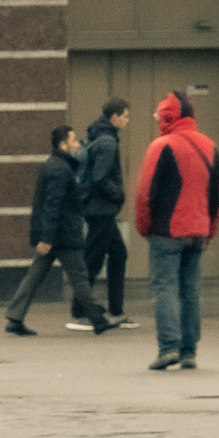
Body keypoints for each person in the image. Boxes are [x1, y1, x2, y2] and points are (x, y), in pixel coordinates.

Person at [133, 91, 219, 371]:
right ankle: (189, 351)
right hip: (198, 231)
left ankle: (168, 347)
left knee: (165, 289)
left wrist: (145, 227)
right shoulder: (210, 146)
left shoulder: (161, 146)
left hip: (167, 231)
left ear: (168, 116)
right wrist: (210, 230)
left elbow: (145, 194)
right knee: (190, 290)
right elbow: (217, 197)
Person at [3, 126, 113, 337]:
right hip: (62, 234)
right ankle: (98, 319)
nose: (78, 144)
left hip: (54, 234)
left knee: (35, 275)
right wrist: (46, 237)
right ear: (63, 145)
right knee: (79, 276)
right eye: (73, 140)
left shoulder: (57, 166)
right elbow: (52, 205)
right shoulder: (60, 169)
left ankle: (15, 317)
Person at [71, 98, 135, 331]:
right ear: (114, 117)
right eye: (126, 116)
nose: (128, 120)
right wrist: (118, 194)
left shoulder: (97, 135)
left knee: (118, 254)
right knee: (93, 260)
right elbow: (100, 177)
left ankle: (116, 311)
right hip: (101, 210)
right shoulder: (108, 142)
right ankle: (80, 311)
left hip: (97, 209)